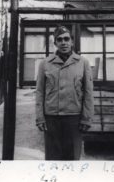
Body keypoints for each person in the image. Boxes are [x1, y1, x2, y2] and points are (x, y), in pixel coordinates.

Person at [35, 25, 94, 160]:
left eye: (66, 39)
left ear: (72, 42)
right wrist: (40, 117)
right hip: (51, 119)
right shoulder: (45, 64)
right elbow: (39, 92)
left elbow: (88, 92)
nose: (63, 42)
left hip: (74, 118)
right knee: (52, 159)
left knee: (72, 158)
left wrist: (87, 118)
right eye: (59, 39)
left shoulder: (82, 62)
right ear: (55, 43)